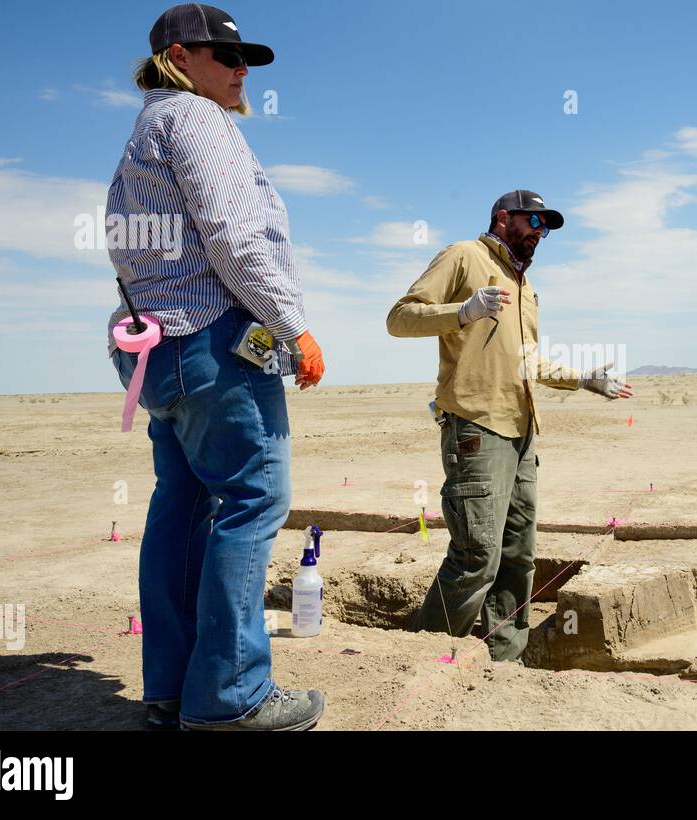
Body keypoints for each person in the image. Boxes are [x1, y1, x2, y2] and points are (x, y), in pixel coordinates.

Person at [106, 3, 326, 730]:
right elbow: (233, 238)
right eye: (224, 56)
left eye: (245, 61)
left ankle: (172, 687)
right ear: (178, 55)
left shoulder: (145, 132)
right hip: (211, 339)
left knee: (181, 507)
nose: (239, 71)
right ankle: (232, 700)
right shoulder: (198, 120)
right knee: (253, 501)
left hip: (156, 351)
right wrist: (295, 327)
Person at [387, 190, 633, 661]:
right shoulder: (464, 256)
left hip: (522, 433)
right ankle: (424, 656)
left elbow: (529, 361)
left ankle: (504, 655)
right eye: (535, 221)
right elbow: (399, 319)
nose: (540, 233)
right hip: (477, 430)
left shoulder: (525, 286)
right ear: (504, 218)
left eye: (546, 228)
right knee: (477, 555)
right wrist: (462, 312)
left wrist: (584, 379)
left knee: (518, 556)